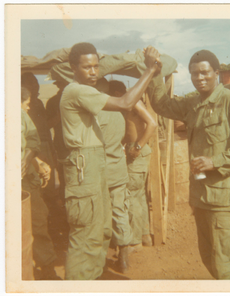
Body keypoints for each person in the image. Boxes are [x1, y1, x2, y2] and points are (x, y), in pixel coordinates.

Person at [146, 49, 230, 279]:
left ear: (217, 73)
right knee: (209, 257)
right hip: (201, 198)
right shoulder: (193, 102)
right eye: (194, 74)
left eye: (204, 73)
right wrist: (153, 71)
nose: (199, 78)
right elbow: (162, 106)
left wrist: (216, 161)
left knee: (228, 264)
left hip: (224, 200)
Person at [59, 42, 161, 280]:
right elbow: (125, 102)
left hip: (95, 168)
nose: (93, 72)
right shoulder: (76, 90)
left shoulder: (89, 93)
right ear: (73, 68)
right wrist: (150, 70)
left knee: (101, 232)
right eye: (87, 67)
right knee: (85, 236)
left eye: (96, 67)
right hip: (85, 169)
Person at [110, 81, 157, 251]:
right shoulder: (130, 105)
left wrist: (138, 146)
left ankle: (135, 241)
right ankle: (143, 235)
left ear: (116, 92)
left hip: (135, 151)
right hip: (133, 149)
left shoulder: (134, 102)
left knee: (132, 196)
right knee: (139, 196)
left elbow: (152, 123)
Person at [21, 87, 61, 280]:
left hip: (26, 181)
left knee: (37, 221)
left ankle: (46, 268)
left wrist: (32, 160)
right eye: (25, 104)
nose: (27, 108)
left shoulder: (22, 116)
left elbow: (31, 141)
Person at [95, 80, 132, 274]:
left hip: (101, 172)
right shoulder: (119, 113)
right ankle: (124, 259)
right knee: (120, 212)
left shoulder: (94, 113)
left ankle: (100, 261)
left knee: (100, 215)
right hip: (118, 169)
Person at [21, 73, 58, 218]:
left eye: (36, 83)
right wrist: (58, 117)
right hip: (35, 148)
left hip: (45, 145)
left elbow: (45, 128)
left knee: (49, 184)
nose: (36, 86)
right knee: (39, 183)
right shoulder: (25, 107)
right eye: (31, 83)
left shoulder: (38, 103)